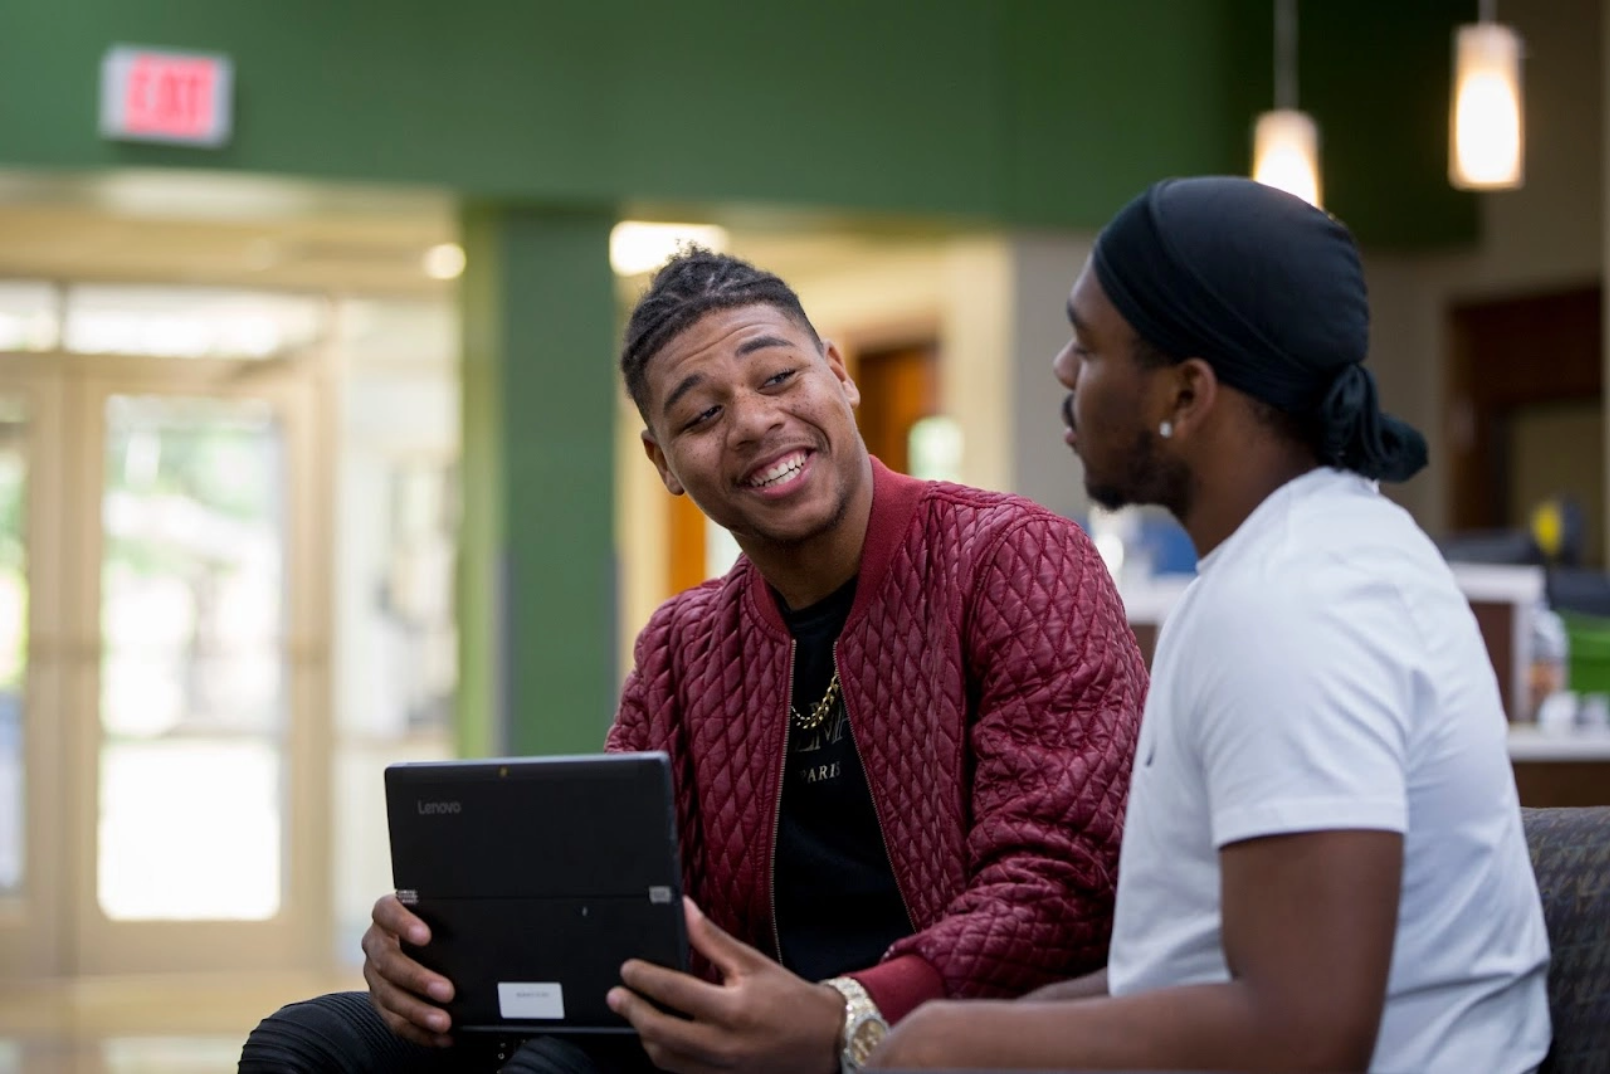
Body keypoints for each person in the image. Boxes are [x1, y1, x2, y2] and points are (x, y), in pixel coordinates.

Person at [240, 248, 1146, 1073]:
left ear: (837, 373)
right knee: (306, 1046)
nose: (754, 422)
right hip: (718, 1027)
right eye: (703, 414)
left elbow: (1065, 884)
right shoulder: (684, 645)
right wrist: (441, 954)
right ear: (663, 461)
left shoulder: (1011, 560)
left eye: (780, 376)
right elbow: (607, 890)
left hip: (936, 1033)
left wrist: (842, 1015)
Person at [870, 176, 1552, 1073]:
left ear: (1187, 397)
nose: (1064, 372)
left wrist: (959, 1045)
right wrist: (984, 1025)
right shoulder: (1291, 562)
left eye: (1088, 346)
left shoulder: (1297, 606)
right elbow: (1188, 966)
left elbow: (1305, 1034)